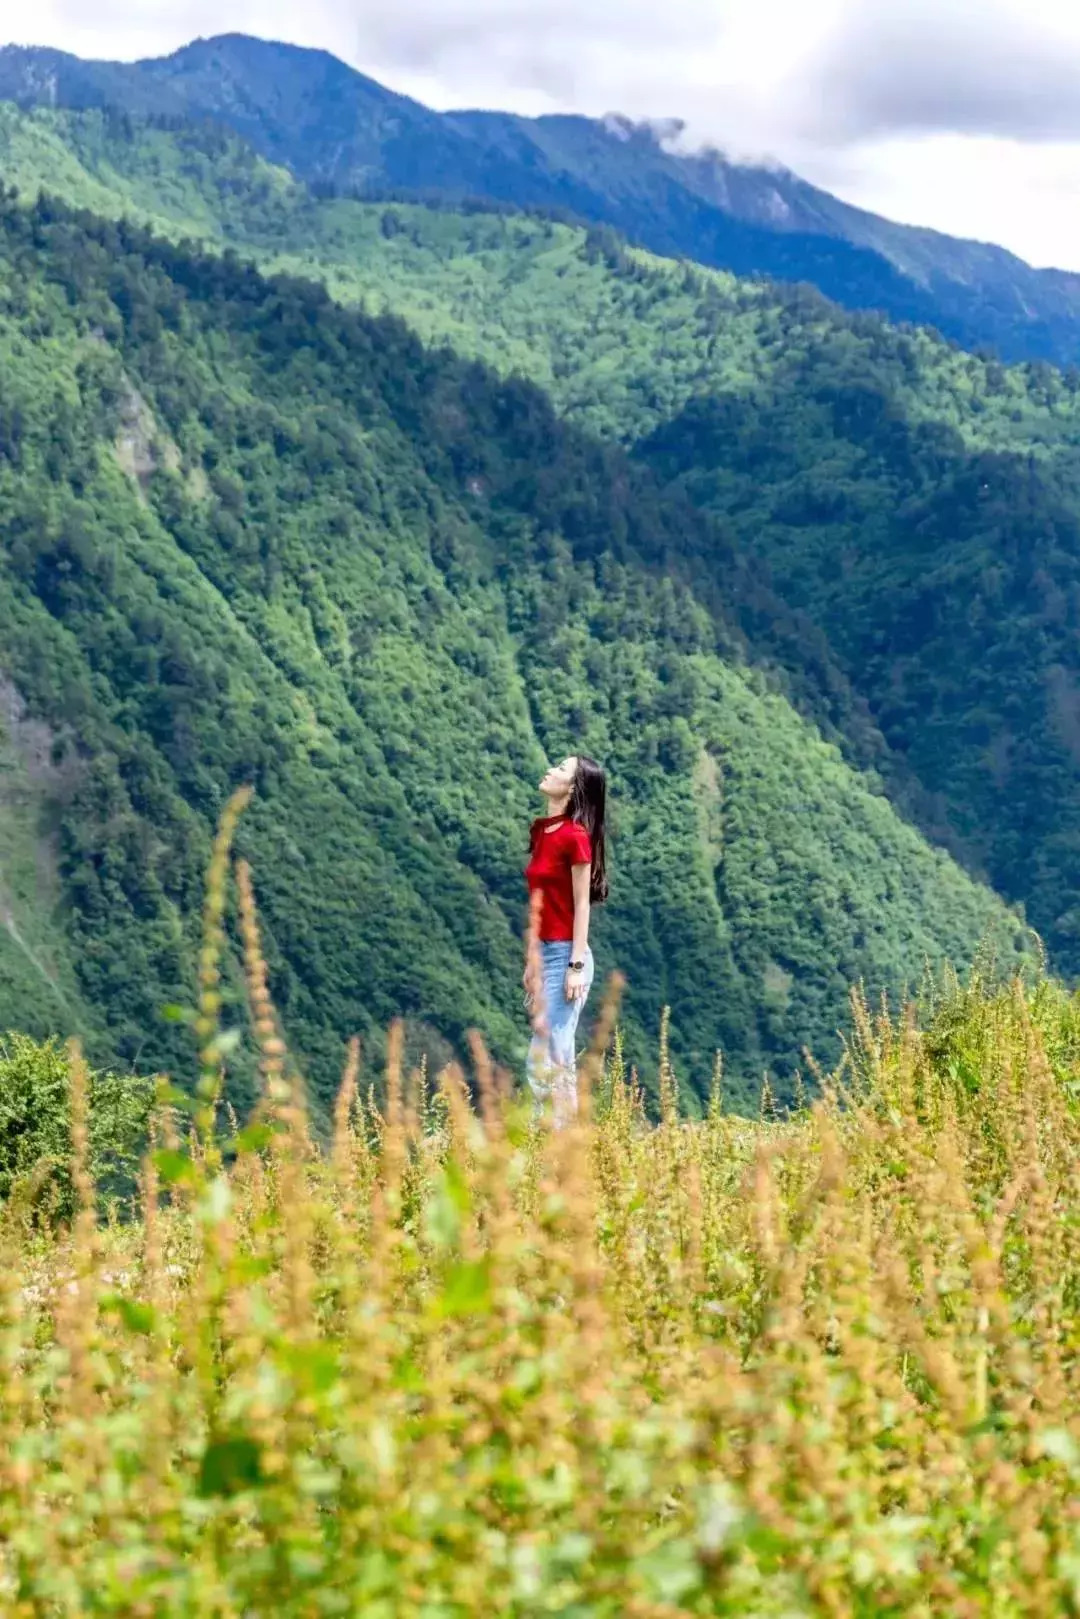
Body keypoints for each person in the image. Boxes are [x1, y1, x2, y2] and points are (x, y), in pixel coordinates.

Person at [523, 754, 609, 1126]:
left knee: (545, 1055)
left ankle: (549, 1141)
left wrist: (575, 966)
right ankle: (569, 1145)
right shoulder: (542, 831)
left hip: (568, 957)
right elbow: (539, 904)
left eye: (560, 769)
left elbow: (581, 905)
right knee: (559, 1053)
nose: (550, 770)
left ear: (572, 789)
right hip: (545, 953)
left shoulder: (576, 838)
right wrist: (532, 960)